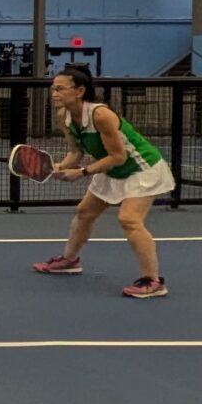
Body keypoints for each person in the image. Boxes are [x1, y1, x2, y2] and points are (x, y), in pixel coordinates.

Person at [32, 65, 175, 299]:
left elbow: (119, 156)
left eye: (60, 88)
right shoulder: (64, 116)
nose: (54, 93)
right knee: (84, 212)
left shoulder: (101, 115)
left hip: (142, 169)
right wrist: (61, 166)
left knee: (129, 220)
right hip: (111, 168)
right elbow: (75, 152)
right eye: (53, 88)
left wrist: (81, 173)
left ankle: (154, 281)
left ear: (79, 91)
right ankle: (70, 260)